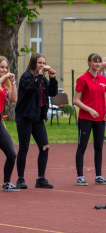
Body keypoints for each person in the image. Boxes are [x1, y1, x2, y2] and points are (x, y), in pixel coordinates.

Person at [15, 53, 58, 189]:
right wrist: (39, 75)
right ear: (33, 63)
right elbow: (32, 88)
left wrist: (52, 78)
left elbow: (52, 92)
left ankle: (40, 179)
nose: (42, 66)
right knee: (24, 147)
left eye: (44, 63)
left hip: (38, 117)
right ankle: (20, 179)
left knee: (45, 147)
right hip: (25, 116)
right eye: (40, 63)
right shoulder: (26, 77)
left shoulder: (43, 79)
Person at [73, 53, 106, 186]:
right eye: (95, 61)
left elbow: (104, 97)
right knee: (82, 146)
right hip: (85, 118)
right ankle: (80, 176)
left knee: (99, 147)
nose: (97, 64)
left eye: (99, 62)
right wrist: (89, 109)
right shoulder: (82, 79)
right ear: (89, 62)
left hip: (100, 118)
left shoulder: (103, 79)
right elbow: (75, 100)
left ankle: (99, 176)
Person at [0, 56, 19, 192]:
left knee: (12, 153)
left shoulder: (4, 84)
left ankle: (7, 182)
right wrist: (5, 76)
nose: (4, 69)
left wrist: (12, 82)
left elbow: (13, 99)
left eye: (6, 67)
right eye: (1, 67)